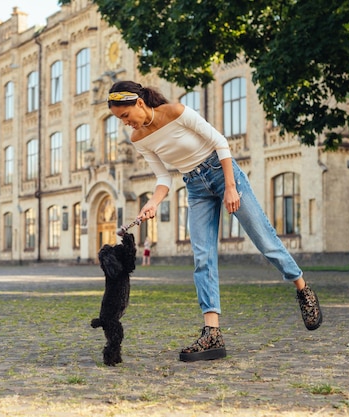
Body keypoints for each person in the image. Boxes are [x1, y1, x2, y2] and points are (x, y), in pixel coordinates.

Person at [107, 81, 322, 362]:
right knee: (202, 256)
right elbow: (163, 178)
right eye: (119, 120)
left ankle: (303, 289)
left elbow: (220, 142)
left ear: (138, 102)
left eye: (125, 116)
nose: (126, 124)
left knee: (264, 239)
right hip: (194, 187)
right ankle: (212, 334)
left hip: (222, 173)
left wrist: (231, 187)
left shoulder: (176, 112)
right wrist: (153, 202)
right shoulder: (139, 140)